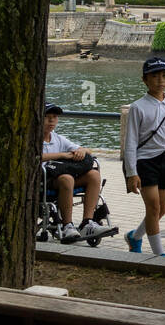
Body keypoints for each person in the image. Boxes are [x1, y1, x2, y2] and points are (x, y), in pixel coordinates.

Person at [122, 57, 165, 256]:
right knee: (153, 207)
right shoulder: (138, 107)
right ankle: (159, 254)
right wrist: (132, 172)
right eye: (155, 76)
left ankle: (135, 237)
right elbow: (131, 142)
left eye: (164, 76)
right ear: (145, 80)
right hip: (144, 161)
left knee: (162, 209)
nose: (160, 80)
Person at [42, 104, 112, 244]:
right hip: (44, 178)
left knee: (94, 175)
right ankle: (67, 224)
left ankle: (87, 222)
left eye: (54, 118)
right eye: (47, 118)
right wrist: (62, 155)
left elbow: (85, 150)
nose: (51, 121)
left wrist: (81, 150)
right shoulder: (31, 137)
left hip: (60, 176)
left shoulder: (58, 138)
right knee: (67, 179)